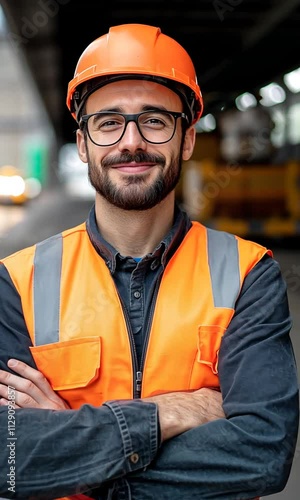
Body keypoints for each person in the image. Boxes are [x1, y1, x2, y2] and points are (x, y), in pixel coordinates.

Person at [0, 23, 298, 500]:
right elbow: (8, 461)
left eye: (155, 120)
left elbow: (263, 453)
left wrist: (75, 454)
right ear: (83, 144)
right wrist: (168, 414)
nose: (131, 142)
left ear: (186, 139)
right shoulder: (17, 281)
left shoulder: (248, 274)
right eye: (108, 122)